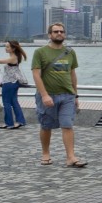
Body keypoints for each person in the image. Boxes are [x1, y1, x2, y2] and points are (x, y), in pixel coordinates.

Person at [31, 23, 85, 168]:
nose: (59, 33)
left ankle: (71, 157)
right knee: (46, 126)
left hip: (67, 95)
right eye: (55, 31)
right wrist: (44, 95)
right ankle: (45, 153)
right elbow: (36, 75)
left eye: (61, 31)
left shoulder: (70, 52)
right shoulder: (40, 52)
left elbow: (72, 74)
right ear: (49, 35)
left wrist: (76, 95)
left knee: (67, 125)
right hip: (48, 95)